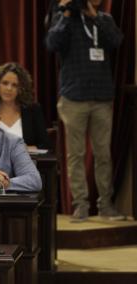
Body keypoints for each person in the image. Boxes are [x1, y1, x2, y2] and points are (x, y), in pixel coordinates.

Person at [46, 0, 124, 221]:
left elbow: (116, 40)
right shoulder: (65, 19)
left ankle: (106, 205)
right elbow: (52, 43)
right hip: (74, 97)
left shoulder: (104, 19)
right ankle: (80, 205)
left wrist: (94, 16)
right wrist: (66, 14)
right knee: (75, 155)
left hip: (102, 96)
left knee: (103, 155)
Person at [0, 62, 50, 150]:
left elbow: (45, 145)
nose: (9, 88)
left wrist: (25, 149)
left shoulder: (32, 110)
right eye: (5, 83)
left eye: (15, 85)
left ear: (21, 89)